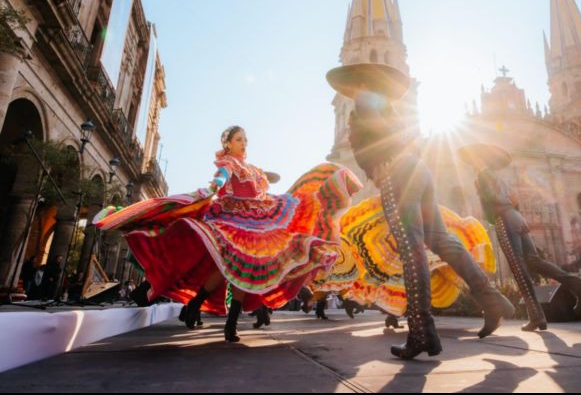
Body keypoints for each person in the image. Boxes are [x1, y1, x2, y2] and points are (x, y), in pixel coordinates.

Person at [94, 126, 361, 342]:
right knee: (236, 267)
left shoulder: (253, 169)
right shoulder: (229, 163)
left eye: (245, 139)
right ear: (228, 144)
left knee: (244, 267)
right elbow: (222, 178)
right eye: (238, 139)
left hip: (259, 220)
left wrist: (267, 177)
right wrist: (216, 184)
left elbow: (266, 182)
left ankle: (216, 316)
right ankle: (207, 312)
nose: (244, 143)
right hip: (231, 218)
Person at [328, 63, 514, 360]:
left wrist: (382, 157)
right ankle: (490, 298)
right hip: (417, 169)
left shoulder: (366, 99)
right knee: (442, 240)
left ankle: (421, 332)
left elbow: (378, 135)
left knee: (410, 246)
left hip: (395, 173)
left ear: (358, 82)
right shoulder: (386, 104)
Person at [461, 144, 581, 332]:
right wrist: (512, 206)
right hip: (517, 218)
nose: (470, 164)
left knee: (518, 269)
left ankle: (537, 316)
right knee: (535, 262)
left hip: (504, 220)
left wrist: (494, 203)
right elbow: (513, 200)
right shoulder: (500, 177)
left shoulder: (483, 175)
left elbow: (493, 198)